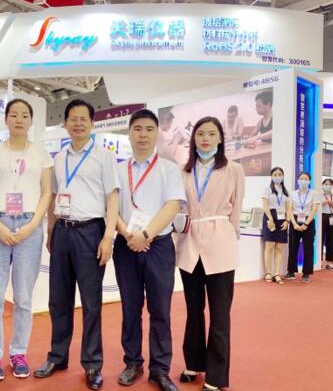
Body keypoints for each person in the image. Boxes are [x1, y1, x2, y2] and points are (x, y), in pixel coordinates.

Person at [34, 99, 120, 391]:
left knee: (91, 303)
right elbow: (52, 196)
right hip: (62, 231)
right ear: (65, 123)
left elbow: (112, 198)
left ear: (92, 123)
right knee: (58, 299)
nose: (78, 123)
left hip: (91, 232)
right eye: (73, 118)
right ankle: (57, 356)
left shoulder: (104, 157)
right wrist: (50, 230)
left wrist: (108, 237)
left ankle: (93, 364)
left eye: (84, 119)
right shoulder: (59, 158)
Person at [0, 99, 53, 381]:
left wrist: (32, 225)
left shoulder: (41, 153)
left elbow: (46, 193)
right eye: (14, 115)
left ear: (31, 121)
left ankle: (18, 352)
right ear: (6, 119)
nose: (19, 119)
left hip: (29, 226)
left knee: (23, 298)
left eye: (24, 115)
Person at [113, 109, 185, 391]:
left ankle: (160, 369)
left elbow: (172, 205)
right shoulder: (119, 170)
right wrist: (127, 234)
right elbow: (111, 207)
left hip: (159, 246)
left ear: (157, 134)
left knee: (160, 309)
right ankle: (132, 363)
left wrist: (145, 235)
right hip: (126, 245)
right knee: (130, 307)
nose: (143, 134)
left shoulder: (169, 168)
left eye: (149, 129)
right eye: (137, 129)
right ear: (129, 133)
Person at [176, 116, 245, 391]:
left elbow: (237, 207)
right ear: (193, 138)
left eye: (211, 133)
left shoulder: (234, 169)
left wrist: (231, 234)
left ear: (220, 138)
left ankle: (216, 376)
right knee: (193, 310)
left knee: (220, 314)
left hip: (220, 245)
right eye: (200, 133)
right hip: (189, 244)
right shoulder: (183, 171)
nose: (205, 138)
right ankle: (193, 362)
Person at [284, 172, 320, 283]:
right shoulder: (292, 193)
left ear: (309, 181)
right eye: (301, 178)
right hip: (294, 220)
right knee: (292, 247)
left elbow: (314, 209)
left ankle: (306, 273)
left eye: (306, 179)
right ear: (298, 180)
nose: (303, 181)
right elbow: (289, 209)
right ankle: (291, 271)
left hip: (308, 221)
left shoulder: (314, 193)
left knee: (308, 248)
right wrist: (294, 223)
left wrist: (306, 224)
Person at [260, 167, 291, 284]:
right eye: (275, 174)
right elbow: (265, 206)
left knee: (279, 248)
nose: (278, 176)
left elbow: (288, 208)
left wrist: (287, 221)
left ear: (283, 176)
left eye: (280, 174)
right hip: (270, 217)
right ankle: (268, 273)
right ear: (271, 176)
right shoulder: (267, 189)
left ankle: (277, 273)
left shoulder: (286, 191)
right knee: (269, 247)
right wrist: (270, 219)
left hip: (282, 218)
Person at [321, 178, 333, 271]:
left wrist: (332, 203)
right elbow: (316, 207)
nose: (328, 186)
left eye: (329, 184)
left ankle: (329, 262)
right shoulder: (320, 195)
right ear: (322, 185)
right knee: (320, 239)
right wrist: (324, 203)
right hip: (322, 217)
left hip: (332, 217)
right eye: (326, 184)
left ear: (332, 186)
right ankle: (319, 261)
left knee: (331, 239)